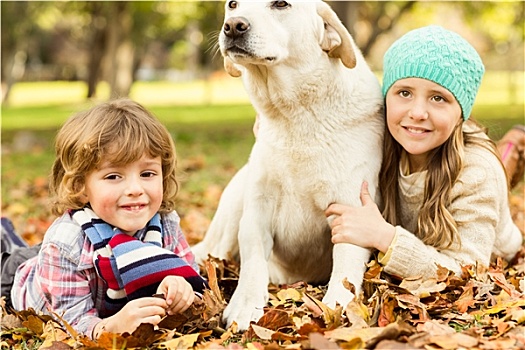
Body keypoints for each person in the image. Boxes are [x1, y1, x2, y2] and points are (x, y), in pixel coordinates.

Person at [325, 25, 523, 280]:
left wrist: (383, 236)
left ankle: (509, 152)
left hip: (495, 245)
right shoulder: (381, 139)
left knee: (492, 169)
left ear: (461, 112)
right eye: (404, 93)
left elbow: (466, 272)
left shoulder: (478, 172)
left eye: (438, 98)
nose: (418, 112)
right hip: (426, 236)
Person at [2, 98, 208, 339]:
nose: (135, 189)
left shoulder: (166, 224)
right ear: (80, 185)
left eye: (147, 173)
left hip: (78, 256)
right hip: (27, 277)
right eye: (113, 176)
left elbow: (197, 287)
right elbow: (67, 324)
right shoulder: (64, 245)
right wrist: (110, 327)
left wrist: (183, 290)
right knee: (9, 258)